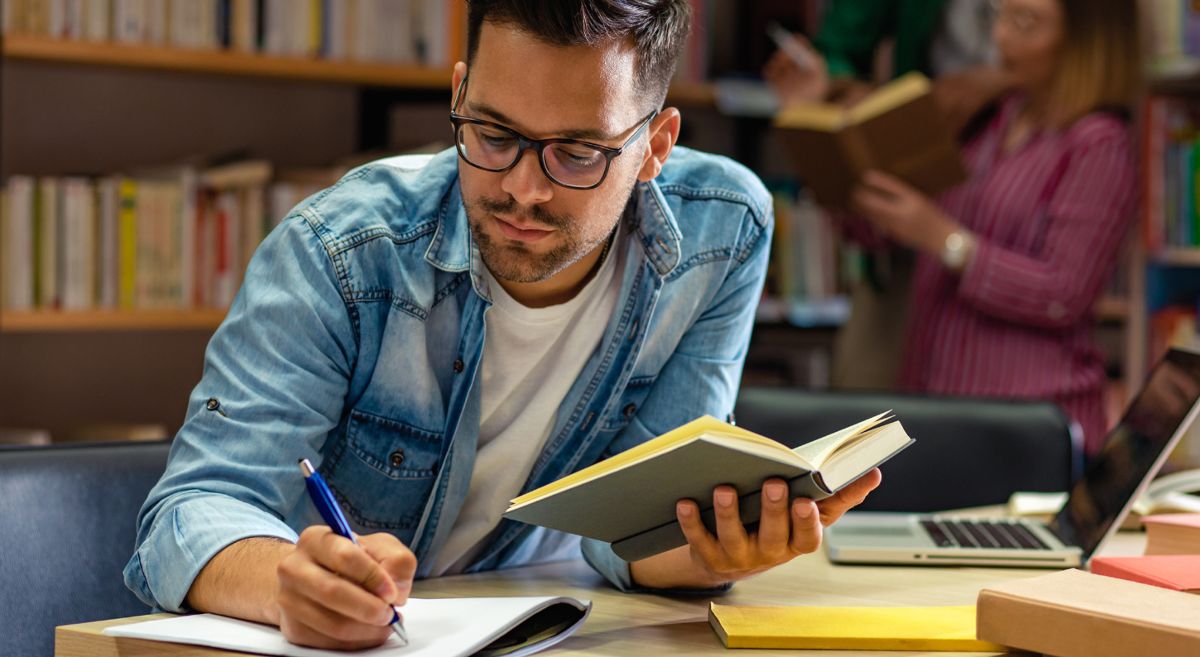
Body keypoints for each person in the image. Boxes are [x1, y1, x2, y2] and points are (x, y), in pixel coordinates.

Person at [124, 0, 881, 651]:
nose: (523, 188)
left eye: (577, 153)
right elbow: (187, 515)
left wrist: (714, 550)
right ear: (459, 91)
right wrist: (285, 583)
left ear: (655, 146)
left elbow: (631, 531)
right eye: (492, 134)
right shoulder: (342, 251)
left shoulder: (722, 232)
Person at [838, 0, 1141, 455]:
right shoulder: (988, 120)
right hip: (936, 406)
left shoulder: (1100, 143)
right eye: (999, 15)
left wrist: (946, 241)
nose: (1001, 37)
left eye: (1026, 23)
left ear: (1085, 40)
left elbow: (1064, 293)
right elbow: (893, 232)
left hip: (1026, 425)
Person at [763, 0, 1012, 391]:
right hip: (915, 174)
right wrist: (842, 90)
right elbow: (839, 48)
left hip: (984, 205)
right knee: (868, 391)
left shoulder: (1081, 143)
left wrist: (1003, 80)